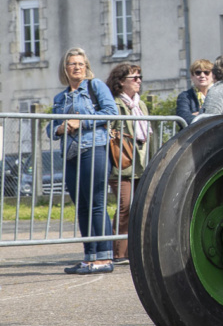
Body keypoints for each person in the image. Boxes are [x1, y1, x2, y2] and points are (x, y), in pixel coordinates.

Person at [49, 47, 116, 274]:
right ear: (65, 69)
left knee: (97, 203)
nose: (77, 67)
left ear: (86, 67)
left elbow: (111, 112)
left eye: (81, 64)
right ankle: (90, 257)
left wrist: (82, 122)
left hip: (94, 148)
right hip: (70, 154)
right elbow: (50, 128)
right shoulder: (60, 97)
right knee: (83, 207)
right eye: (72, 64)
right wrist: (60, 128)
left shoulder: (95, 86)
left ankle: (104, 258)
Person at [106, 63, 151, 265]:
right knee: (126, 206)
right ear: (121, 82)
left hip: (141, 164)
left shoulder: (140, 105)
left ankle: (135, 251)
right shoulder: (115, 104)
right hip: (121, 165)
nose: (139, 81)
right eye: (134, 77)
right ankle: (119, 253)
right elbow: (108, 131)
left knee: (140, 208)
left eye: (140, 77)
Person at [176, 58, 213, 125]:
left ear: (212, 75)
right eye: (198, 73)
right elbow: (183, 118)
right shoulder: (185, 96)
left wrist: (198, 116)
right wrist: (205, 118)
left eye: (206, 72)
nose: (202, 75)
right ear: (192, 76)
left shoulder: (218, 95)